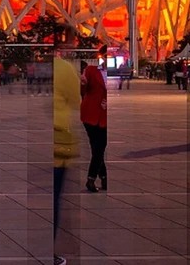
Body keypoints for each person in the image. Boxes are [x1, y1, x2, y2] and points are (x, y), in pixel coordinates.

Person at [53, 25, 81, 265]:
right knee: (54, 197)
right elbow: (76, 101)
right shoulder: (64, 69)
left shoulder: (33, 69)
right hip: (59, 137)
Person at [81, 56, 109, 193]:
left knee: (98, 148)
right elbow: (83, 92)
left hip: (105, 116)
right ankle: (91, 179)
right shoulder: (91, 70)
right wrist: (83, 83)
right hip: (90, 114)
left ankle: (104, 177)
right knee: (98, 148)